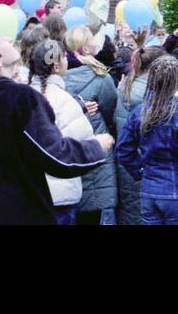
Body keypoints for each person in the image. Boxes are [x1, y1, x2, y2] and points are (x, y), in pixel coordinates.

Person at [0, 26, 112, 224]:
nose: (7, 37)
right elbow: (57, 157)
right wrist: (96, 147)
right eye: (0, 39)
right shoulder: (21, 99)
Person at [117, 56, 178, 225]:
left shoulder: (139, 113)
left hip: (149, 190)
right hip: (176, 192)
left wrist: (139, 171)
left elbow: (123, 150)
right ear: (176, 83)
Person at [22, 37, 96, 224]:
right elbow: (84, 142)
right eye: (63, 56)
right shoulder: (63, 100)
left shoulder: (20, 96)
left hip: (27, 190)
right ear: (56, 66)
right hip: (60, 192)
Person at [63, 25, 117, 225]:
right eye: (93, 39)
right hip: (97, 145)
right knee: (93, 210)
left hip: (69, 148)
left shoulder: (60, 77)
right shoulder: (101, 77)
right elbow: (111, 109)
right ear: (86, 48)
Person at [115, 44, 163, 225]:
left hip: (125, 167)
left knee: (129, 214)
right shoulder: (156, 97)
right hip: (150, 169)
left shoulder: (122, 88)